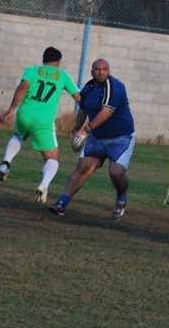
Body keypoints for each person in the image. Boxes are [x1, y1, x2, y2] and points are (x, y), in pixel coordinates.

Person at [49, 59, 136, 221]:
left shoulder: (115, 86)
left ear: (109, 71)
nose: (101, 72)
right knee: (83, 167)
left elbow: (106, 112)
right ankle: (62, 203)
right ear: (92, 72)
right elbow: (83, 109)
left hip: (120, 137)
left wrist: (85, 130)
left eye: (104, 69)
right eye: (97, 69)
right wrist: (76, 129)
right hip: (98, 137)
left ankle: (121, 198)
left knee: (116, 172)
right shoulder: (88, 88)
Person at [0, 47, 81, 203]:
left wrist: (11, 110)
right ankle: (43, 186)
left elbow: (22, 88)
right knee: (52, 158)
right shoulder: (63, 75)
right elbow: (79, 97)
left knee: (18, 136)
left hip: (24, 114)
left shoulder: (32, 70)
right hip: (44, 120)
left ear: (43, 60)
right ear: (58, 62)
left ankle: (5, 163)